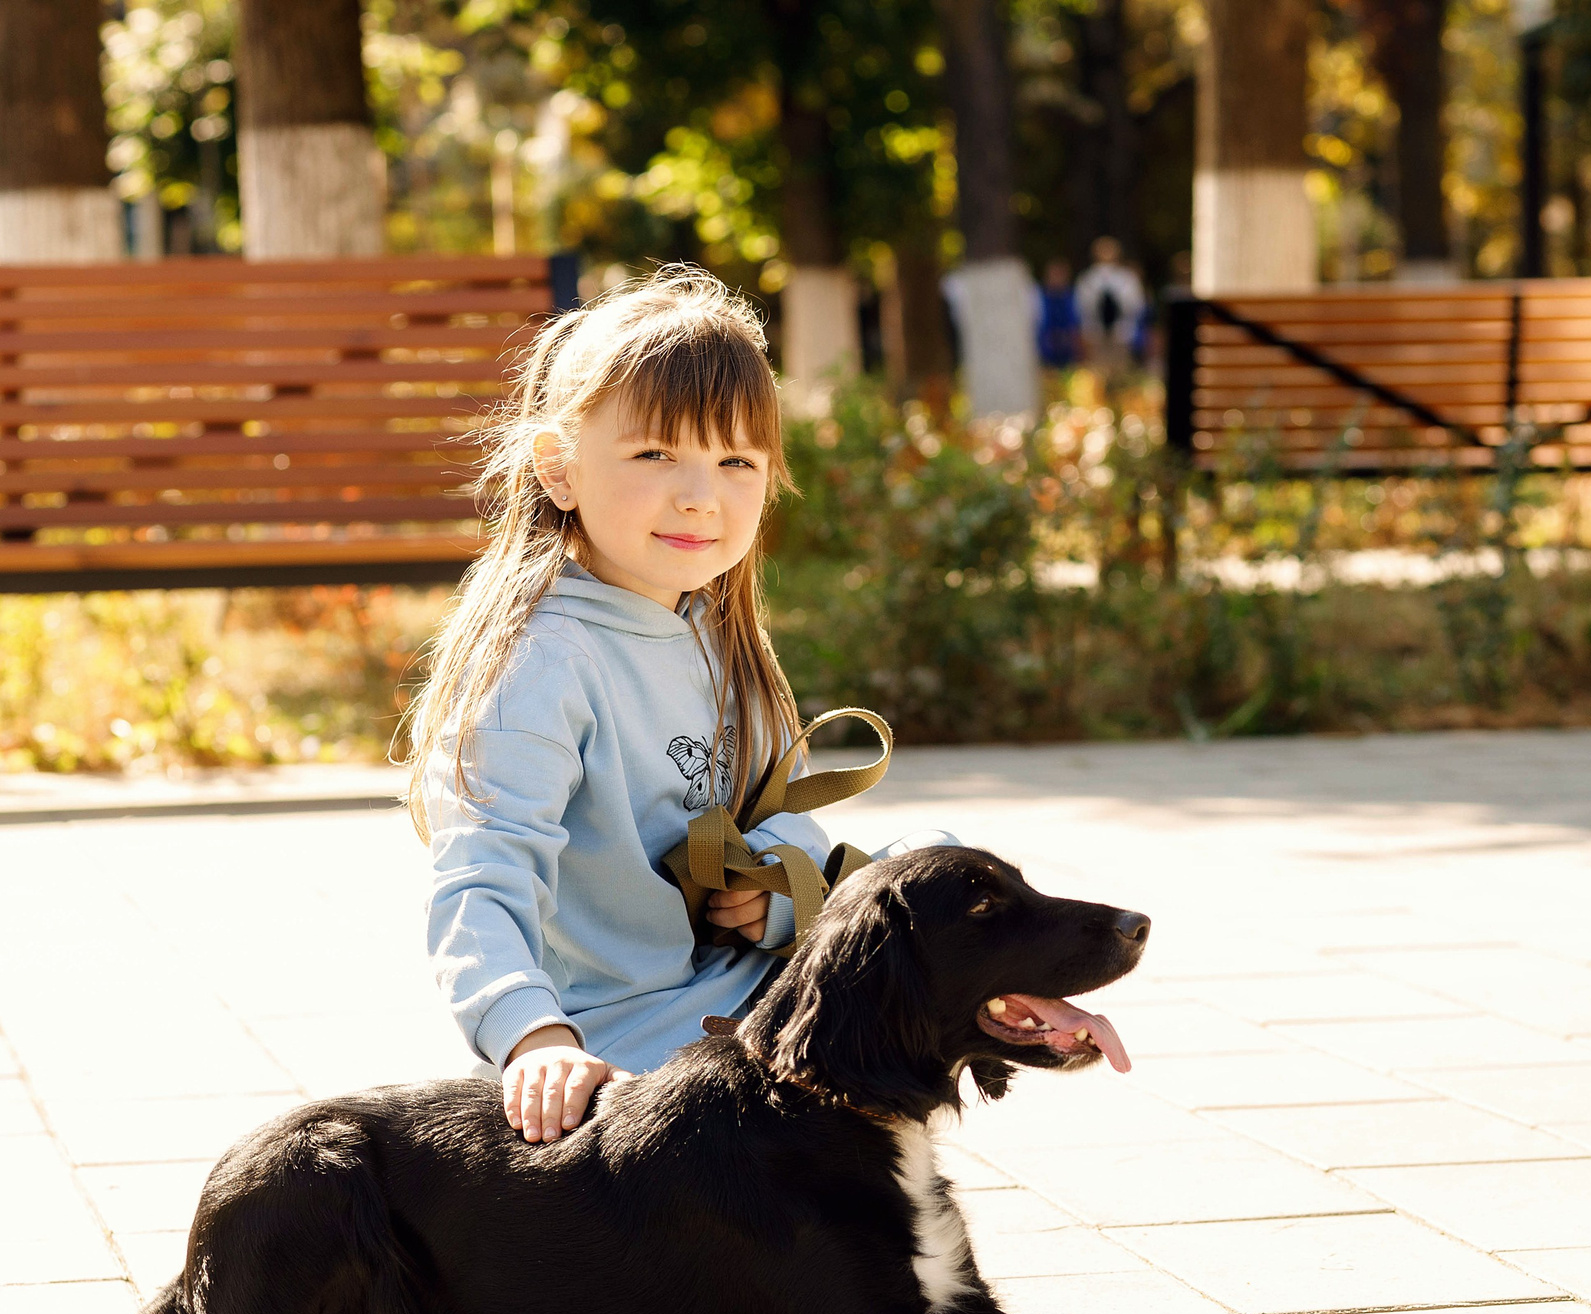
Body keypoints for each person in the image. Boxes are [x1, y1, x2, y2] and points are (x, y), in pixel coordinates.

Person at [397, 265, 948, 1144]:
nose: (700, 494)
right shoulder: (540, 663)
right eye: (656, 454)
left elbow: (778, 811)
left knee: (945, 873)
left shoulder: (720, 634)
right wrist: (533, 1039)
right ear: (560, 470)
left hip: (737, 991)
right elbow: (480, 876)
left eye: (735, 461)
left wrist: (781, 893)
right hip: (620, 1034)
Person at [1074, 237, 1146, 375]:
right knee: (1097, 375)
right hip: (1095, 336)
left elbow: (1136, 306)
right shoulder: (1088, 279)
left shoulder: (1127, 278)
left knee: (1120, 375)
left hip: (1121, 335)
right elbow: (1081, 308)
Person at [1035, 257, 1082, 369]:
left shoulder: (1072, 297)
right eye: (1054, 274)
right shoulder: (1038, 297)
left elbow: (1076, 324)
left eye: (1060, 275)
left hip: (1069, 352)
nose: (1057, 278)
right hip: (1046, 351)